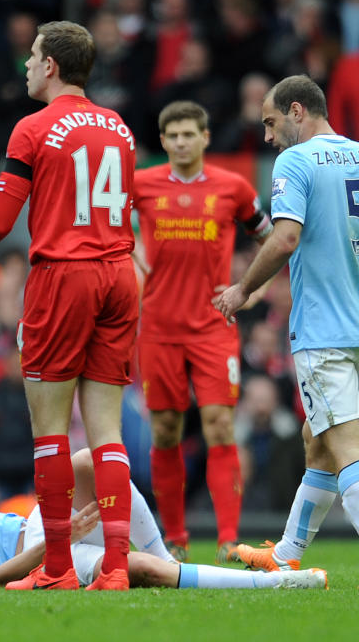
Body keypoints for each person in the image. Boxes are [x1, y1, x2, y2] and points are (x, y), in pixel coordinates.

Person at [0, 21, 138, 591]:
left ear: (51, 65)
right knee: (106, 432)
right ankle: (118, 569)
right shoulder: (119, 128)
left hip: (64, 276)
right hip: (119, 274)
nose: (25, 66)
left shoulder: (34, 128)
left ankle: (56, 569)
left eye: (31, 57)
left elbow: (1, 222)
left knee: (50, 432)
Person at [0, 448, 327, 591]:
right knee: (139, 568)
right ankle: (275, 585)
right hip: (34, 558)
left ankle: (171, 558)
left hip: (31, 524)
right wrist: (52, 542)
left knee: (97, 465)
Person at [215, 74, 359, 570]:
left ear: (298, 111)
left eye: (271, 122)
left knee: (345, 446)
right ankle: (285, 554)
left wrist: (244, 288)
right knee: (317, 442)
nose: (269, 137)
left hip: (326, 332)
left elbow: (284, 238)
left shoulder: (295, 161)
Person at [132, 101, 272, 563]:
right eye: (172, 135)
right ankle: (175, 539)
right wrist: (132, 262)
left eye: (189, 134)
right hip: (159, 328)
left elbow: (271, 239)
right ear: (163, 140)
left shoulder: (232, 188)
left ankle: (229, 538)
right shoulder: (141, 185)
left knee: (219, 425)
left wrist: (249, 288)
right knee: (166, 430)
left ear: (205, 137)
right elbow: (105, 224)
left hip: (214, 327)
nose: (180, 142)